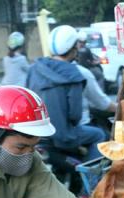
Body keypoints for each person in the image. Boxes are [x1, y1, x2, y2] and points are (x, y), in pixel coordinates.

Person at [26, 25, 106, 161]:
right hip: (63, 136)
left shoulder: (34, 68)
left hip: (36, 132)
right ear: (73, 49)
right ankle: (92, 178)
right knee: (99, 134)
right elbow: (75, 116)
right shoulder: (74, 74)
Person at [75, 61, 117, 135]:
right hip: (80, 124)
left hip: (55, 126)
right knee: (101, 136)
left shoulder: (48, 70)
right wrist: (121, 108)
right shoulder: (82, 72)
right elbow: (102, 103)